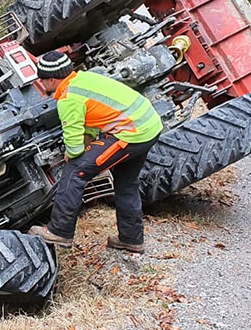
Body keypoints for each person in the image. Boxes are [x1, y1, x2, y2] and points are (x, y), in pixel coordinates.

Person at [28, 50, 163, 253]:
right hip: (148, 125)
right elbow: (94, 117)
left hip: (132, 133)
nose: (41, 82)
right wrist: (87, 141)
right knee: (126, 182)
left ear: (52, 79)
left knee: (75, 172)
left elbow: (73, 145)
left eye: (42, 78)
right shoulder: (84, 79)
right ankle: (131, 239)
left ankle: (59, 232)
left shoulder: (68, 98)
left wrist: (74, 153)